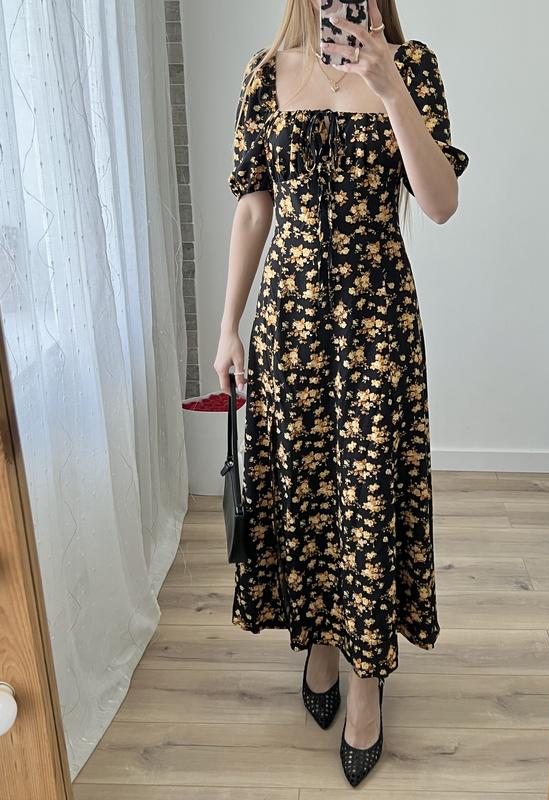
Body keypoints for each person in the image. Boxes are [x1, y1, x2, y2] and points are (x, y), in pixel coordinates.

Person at [214, 0, 469, 785]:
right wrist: (228, 326)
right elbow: (253, 209)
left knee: (367, 498)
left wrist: (390, 90)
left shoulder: (412, 68)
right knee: (309, 492)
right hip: (288, 327)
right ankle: (320, 638)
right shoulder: (265, 74)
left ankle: (367, 681)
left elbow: (439, 204)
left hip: (376, 325)